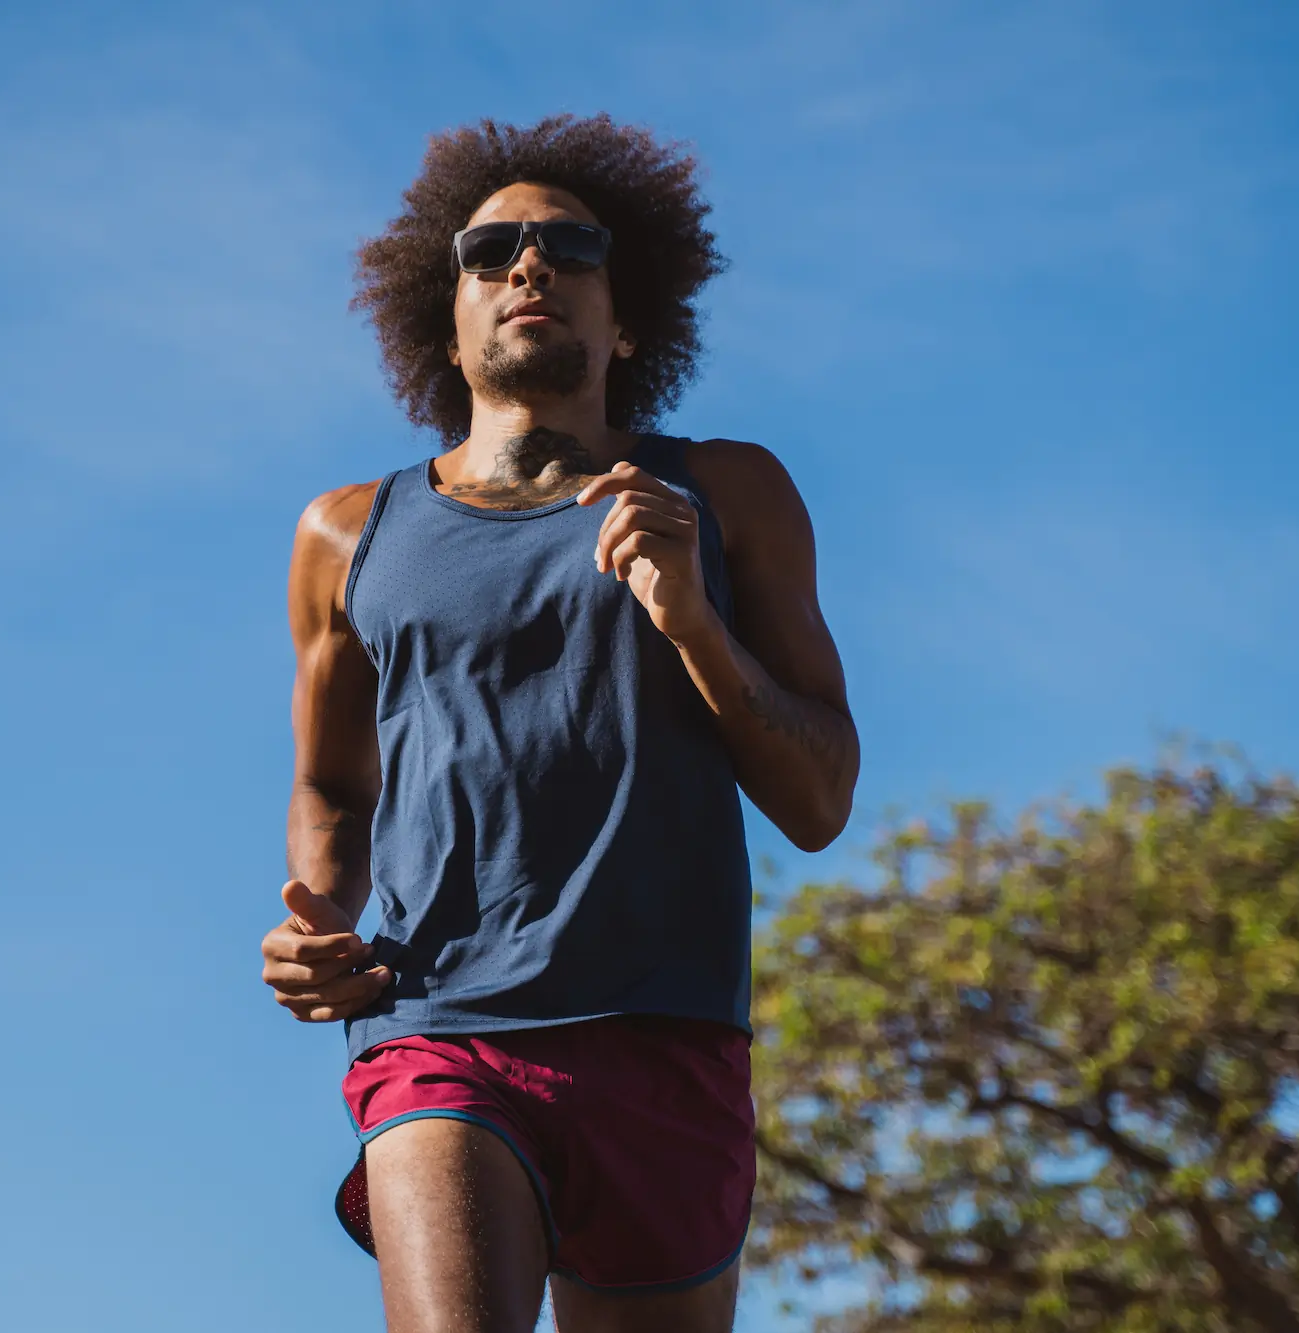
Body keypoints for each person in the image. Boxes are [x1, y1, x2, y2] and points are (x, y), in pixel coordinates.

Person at [260, 114, 858, 1333]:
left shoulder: (726, 491)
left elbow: (818, 799)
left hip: (668, 1032)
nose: (528, 267)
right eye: (489, 250)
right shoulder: (343, 533)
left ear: (624, 320)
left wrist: (691, 621)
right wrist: (316, 915)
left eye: (570, 247)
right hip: (440, 1022)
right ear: (447, 319)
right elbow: (333, 790)